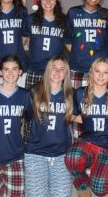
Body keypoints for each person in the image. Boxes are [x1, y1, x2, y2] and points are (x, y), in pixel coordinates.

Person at [64, 57, 108, 197]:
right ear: (91, 72)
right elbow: (71, 116)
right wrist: (85, 119)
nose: (101, 75)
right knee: (72, 157)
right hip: (88, 143)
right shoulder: (80, 93)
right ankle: (82, 183)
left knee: (99, 187)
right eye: (97, 71)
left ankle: (99, 169)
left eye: (105, 72)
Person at [0, 54, 32, 197]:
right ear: (0, 72)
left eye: (14, 69)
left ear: (20, 71)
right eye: (6, 69)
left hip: (15, 156)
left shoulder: (25, 96)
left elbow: (29, 119)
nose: (10, 73)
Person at [25, 56, 74, 197]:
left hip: (61, 155)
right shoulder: (34, 92)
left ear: (66, 74)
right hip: (36, 153)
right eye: (54, 68)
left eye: (62, 69)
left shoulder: (71, 95)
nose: (57, 72)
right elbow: (25, 116)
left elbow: (79, 117)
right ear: (48, 70)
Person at [65, 0, 108, 90]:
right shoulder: (73, 12)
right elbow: (67, 39)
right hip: (78, 68)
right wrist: (79, 54)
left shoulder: (106, 14)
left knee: (98, 104)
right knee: (76, 104)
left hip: (99, 70)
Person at [24, 0, 67, 91]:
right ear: (39, 1)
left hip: (55, 72)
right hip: (35, 70)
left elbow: (69, 45)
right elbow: (22, 42)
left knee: (54, 103)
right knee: (32, 104)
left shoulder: (64, 21)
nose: (48, 2)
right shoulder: (30, 19)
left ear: (56, 1)